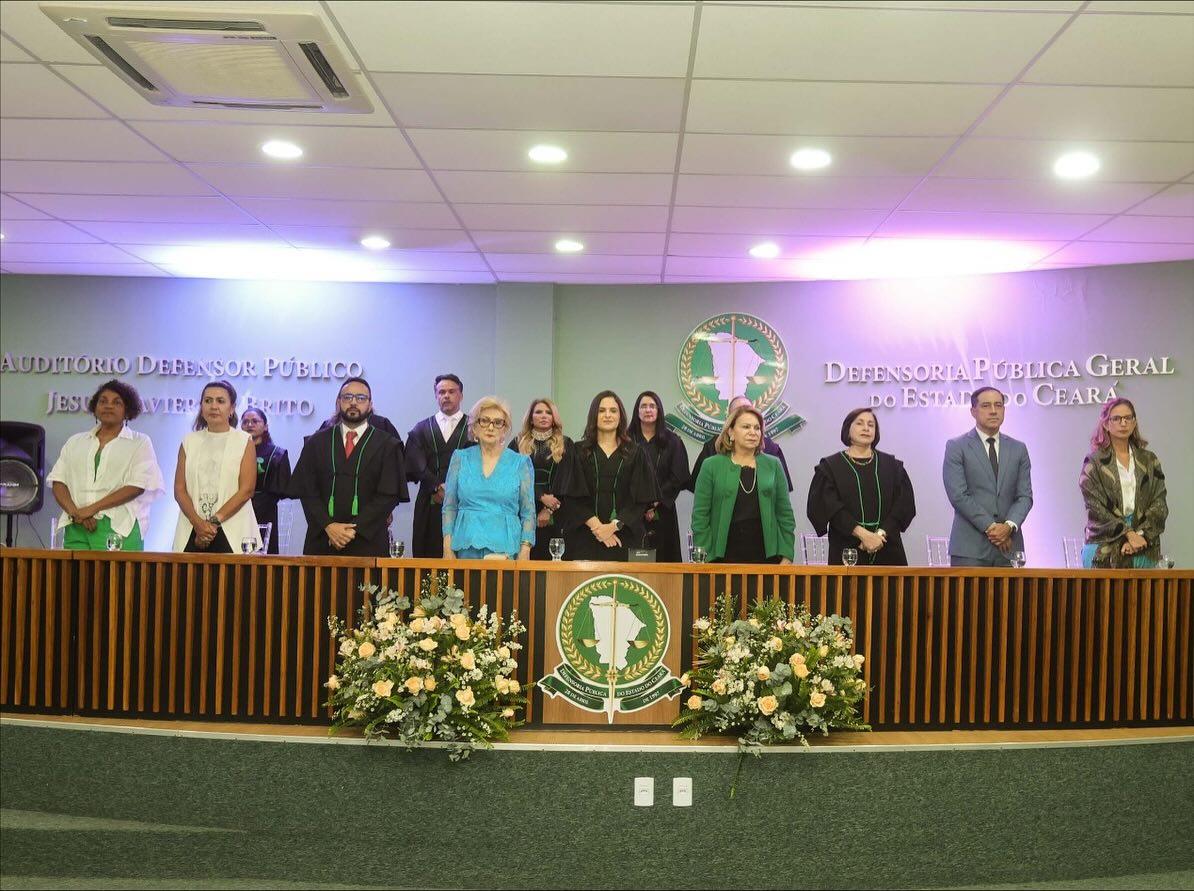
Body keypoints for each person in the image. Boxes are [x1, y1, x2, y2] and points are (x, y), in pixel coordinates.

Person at [289, 377, 407, 557]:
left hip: (368, 543)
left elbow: (387, 496)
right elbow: (307, 491)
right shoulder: (317, 442)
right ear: (338, 403)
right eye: (347, 397)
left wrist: (352, 531)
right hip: (323, 540)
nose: (353, 402)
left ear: (370, 405)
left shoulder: (387, 445)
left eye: (360, 398)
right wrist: (328, 526)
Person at [47, 379, 164, 551]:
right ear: (95, 408)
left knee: (119, 571)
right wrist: (76, 513)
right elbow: (58, 481)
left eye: (117, 402)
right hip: (77, 525)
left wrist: (91, 509)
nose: (108, 406)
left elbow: (137, 486)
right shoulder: (75, 442)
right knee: (74, 570)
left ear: (127, 410)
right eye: (103, 401)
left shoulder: (139, 442)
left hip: (118, 527)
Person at [806, 408, 916, 565]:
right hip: (848, 550)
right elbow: (829, 507)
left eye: (871, 425)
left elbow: (903, 505)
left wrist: (879, 535)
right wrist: (863, 535)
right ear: (847, 429)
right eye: (859, 423)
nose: (866, 428)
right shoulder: (831, 467)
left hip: (888, 549)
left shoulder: (892, 466)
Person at [691, 404, 795, 564]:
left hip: (767, 558)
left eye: (757, 428)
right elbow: (700, 517)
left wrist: (787, 555)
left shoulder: (773, 464)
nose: (753, 432)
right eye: (746, 427)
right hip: (721, 558)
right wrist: (703, 557)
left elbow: (785, 515)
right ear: (731, 432)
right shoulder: (711, 465)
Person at [563, 390, 659, 562]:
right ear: (594, 415)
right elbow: (572, 497)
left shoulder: (636, 453)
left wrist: (613, 527)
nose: (607, 415)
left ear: (620, 416)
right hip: (584, 538)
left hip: (625, 538)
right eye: (601, 410)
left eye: (613, 411)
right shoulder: (577, 451)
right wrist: (599, 529)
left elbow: (640, 501)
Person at [942, 386, 1033, 567]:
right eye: (986, 406)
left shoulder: (1018, 449)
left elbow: (1025, 496)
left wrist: (1008, 526)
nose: (993, 411)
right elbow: (958, 495)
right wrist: (992, 528)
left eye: (998, 405)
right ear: (973, 411)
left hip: (1009, 548)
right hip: (969, 550)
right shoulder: (956, 447)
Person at [1078, 397, 1168, 568]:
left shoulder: (1150, 460)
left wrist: (1138, 535)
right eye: (1117, 418)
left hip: (1142, 542)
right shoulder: (1093, 462)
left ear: (1134, 423)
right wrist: (1128, 534)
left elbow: (1159, 503)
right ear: (1106, 424)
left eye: (1128, 418)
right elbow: (1096, 507)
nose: (1123, 423)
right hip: (1103, 543)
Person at [443, 397, 536, 560]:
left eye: (498, 422)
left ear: (505, 429)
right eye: (484, 421)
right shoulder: (460, 458)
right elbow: (449, 507)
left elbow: (528, 512)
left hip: (506, 550)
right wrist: (447, 546)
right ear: (474, 426)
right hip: (466, 548)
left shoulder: (520, 463)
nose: (491, 427)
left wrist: (525, 550)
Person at [173, 380, 259, 553]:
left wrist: (212, 523)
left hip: (233, 531)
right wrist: (198, 523)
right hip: (192, 528)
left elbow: (247, 489)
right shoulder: (189, 441)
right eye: (208, 401)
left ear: (232, 408)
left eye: (220, 401)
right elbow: (179, 489)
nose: (213, 406)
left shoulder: (243, 440)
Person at [407, 374, 471, 557]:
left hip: (465, 502)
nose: (446, 396)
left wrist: (452, 490)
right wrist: (435, 486)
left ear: (461, 395)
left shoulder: (473, 427)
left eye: (452, 391)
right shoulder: (421, 428)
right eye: (441, 392)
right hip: (430, 501)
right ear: (436, 396)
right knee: (428, 554)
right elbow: (414, 462)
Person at [509, 398, 574, 560]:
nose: (544, 416)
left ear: (554, 418)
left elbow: (567, 479)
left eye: (548, 412)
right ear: (531, 418)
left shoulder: (566, 443)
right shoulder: (517, 443)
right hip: (521, 513)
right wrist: (541, 496)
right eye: (538, 412)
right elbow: (512, 478)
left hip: (556, 514)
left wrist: (548, 509)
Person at [627, 390, 689, 562]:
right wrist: (642, 504)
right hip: (631, 511)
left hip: (663, 511)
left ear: (659, 411)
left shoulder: (673, 441)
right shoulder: (626, 440)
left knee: (665, 560)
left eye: (652, 406)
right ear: (637, 411)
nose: (648, 410)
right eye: (643, 406)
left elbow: (678, 476)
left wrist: (654, 501)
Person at [687, 395, 793, 494]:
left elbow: (782, 489)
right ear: (729, 421)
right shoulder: (713, 447)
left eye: (748, 411)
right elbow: (698, 487)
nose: (744, 415)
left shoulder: (771, 449)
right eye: (738, 413)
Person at [240, 408, 291, 554]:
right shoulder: (233, 452)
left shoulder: (277, 454)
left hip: (265, 512)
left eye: (255, 421)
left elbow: (283, 488)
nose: (250, 425)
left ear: (265, 426)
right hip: (237, 509)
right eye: (245, 422)